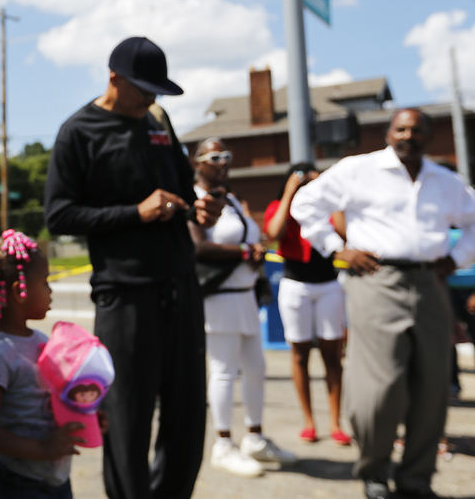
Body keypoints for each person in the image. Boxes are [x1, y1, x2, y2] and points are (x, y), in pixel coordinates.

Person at [44, 36, 223, 499]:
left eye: (157, 91)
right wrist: (134, 213)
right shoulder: (78, 131)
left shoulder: (159, 123)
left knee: (187, 416)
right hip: (125, 294)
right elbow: (59, 215)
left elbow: (183, 191)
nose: (151, 99)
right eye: (143, 89)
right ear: (114, 79)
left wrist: (198, 211)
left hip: (181, 287)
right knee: (128, 419)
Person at [292, 108, 475, 499]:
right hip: (377, 279)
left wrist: (458, 259)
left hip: (430, 282)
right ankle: (374, 471)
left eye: (418, 130)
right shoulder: (359, 169)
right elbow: (304, 205)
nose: (409, 135)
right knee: (381, 388)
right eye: (401, 128)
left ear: (429, 136)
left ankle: (416, 479)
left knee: (432, 385)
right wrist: (338, 250)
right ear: (389, 133)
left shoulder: (445, 181)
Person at [189, 138, 296, 478]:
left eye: (227, 156)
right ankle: (223, 443)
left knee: (255, 368)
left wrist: (255, 249)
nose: (223, 162)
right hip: (219, 297)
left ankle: (255, 436)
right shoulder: (195, 199)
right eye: (215, 156)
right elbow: (199, 247)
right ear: (198, 162)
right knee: (223, 370)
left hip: (245, 294)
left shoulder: (231, 198)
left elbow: (250, 241)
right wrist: (243, 253)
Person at [0, 229, 83, 499]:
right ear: (20, 291)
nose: (51, 290)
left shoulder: (43, 341)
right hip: (15, 484)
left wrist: (85, 413)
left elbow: (55, 396)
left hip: (54, 478)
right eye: (45, 282)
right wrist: (42, 449)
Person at [265, 162, 349, 446]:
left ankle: (336, 421)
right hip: (295, 285)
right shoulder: (279, 205)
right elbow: (273, 233)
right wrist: (290, 193)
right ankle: (309, 421)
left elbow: (342, 234)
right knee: (299, 354)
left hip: (328, 284)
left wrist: (329, 191)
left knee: (332, 354)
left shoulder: (326, 208)